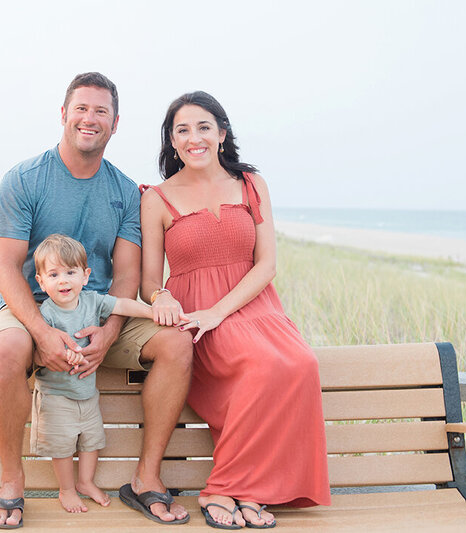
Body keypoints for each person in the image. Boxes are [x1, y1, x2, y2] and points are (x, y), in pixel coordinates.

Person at [0, 72, 193, 529]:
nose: (90, 118)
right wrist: (41, 332)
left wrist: (107, 335)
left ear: (115, 124)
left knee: (176, 344)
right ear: (63, 114)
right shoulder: (24, 180)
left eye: (101, 111)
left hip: (99, 316)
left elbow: (128, 276)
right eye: (81, 108)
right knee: (6, 350)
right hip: (32, 312)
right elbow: (5, 270)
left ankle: (146, 480)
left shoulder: (124, 191)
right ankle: (11, 483)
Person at [140, 91, 331, 529]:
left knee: (301, 364)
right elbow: (151, 279)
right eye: (182, 130)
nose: (194, 138)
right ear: (171, 141)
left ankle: (250, 490)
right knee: (259, 368)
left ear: (222, 133)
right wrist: (162, 299)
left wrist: (221, 311)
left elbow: (268, 264)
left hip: (253, 306)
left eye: (204, 127)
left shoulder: (250, 184)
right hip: (196, 315)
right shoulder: (157, 198)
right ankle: (223, 488)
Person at [30, 233, 167, 514]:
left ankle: (85, 482)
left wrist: (152, 312)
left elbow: (122, 305)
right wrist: (64, 352)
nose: (63, 280)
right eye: (54, 274)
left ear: (85, 275)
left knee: (91, 440)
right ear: (41, 281)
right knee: (63, 446)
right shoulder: (47, 314)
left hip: (87, 393)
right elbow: (44, 345)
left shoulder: (92, 301)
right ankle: (66, 489)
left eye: (70, 272)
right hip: (56, 396)